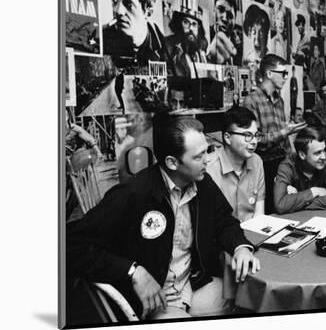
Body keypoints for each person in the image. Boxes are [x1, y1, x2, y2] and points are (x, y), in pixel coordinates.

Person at [67, 114, 260, 320]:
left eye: (208, 151)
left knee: (251, 299)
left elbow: (224, 221)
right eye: (198, 156)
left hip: (191, 285)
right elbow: (70, 246)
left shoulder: (202, 182)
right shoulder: (134, 194)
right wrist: (133, 271)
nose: (207, 160)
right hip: (157, 300)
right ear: (172, 162)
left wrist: (240, 247)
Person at [243, 54, 307, 214]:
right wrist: (285, 131)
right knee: (267, 209)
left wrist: (292, 151)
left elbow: (281, 132)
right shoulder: (252, 101)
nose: (286, 77)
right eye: (283, 73)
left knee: (283, 208)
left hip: (281, 161)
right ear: (269, 74)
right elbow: (255, 139)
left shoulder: (280, 101)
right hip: (262, 164)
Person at [206, 107, 265, 222]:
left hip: (252, 233)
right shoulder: (208, 168)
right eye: (247, 135)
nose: (254, 141)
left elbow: (259, 214)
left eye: (256, 135)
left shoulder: (257, 162)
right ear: (227, 138)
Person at [101, 0, 168, 67]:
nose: (118, 11)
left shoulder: (164, 46)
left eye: (128, 4)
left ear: (148, 12)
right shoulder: (103, 38)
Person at [273, 127, 326, 214]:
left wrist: (296, 201)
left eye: (324, 151)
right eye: (318, 153)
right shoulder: (287, 166)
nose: (324, 156)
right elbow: (280, 205)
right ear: (302, 155)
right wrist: (313, 192)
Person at [165, 0, 207, 79]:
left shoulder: (200, 54)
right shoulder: (168, 48)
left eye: (194, 24)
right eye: (186, 22)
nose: (191, 28)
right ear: (179, 24)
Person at [207, 0, 239, 64]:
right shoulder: (203, 36)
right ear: (214, 11)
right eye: (220, 9)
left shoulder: (239, 47)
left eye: (230, 15)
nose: (224, 18)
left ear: (234, 21)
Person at [242, 4, 270, 69]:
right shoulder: (247, 58)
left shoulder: (271, 60)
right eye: (254, 32)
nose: (256, 40)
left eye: (261, 33)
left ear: (266, 35)